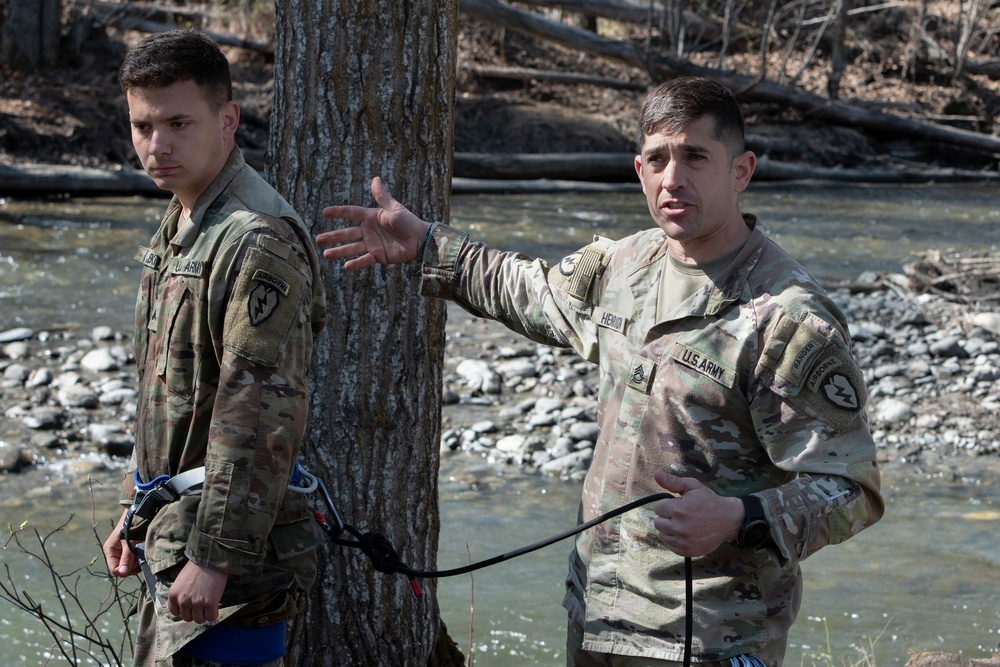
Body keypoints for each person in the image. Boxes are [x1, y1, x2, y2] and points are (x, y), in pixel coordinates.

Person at [316, 76, 883, 666]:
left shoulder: (787, 319)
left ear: (741, 170)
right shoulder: (625, 265)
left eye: (695, 157)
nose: (673, 179)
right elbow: (530, 291)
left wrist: (741, 516)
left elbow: (852, 489)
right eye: (658, 159)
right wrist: (429, 245)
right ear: (639, 170)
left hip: (711, 637)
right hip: (597, 611)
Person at [102, 30, 326, 667]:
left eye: (178, 122)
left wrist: (215, 558)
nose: (157, 145)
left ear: (227, 120)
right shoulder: (183, 222)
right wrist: (135, 509)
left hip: (230, 577)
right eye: (143, 126)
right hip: (178, 538)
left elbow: (258, 416)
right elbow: (168, 396)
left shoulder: (255, 240)